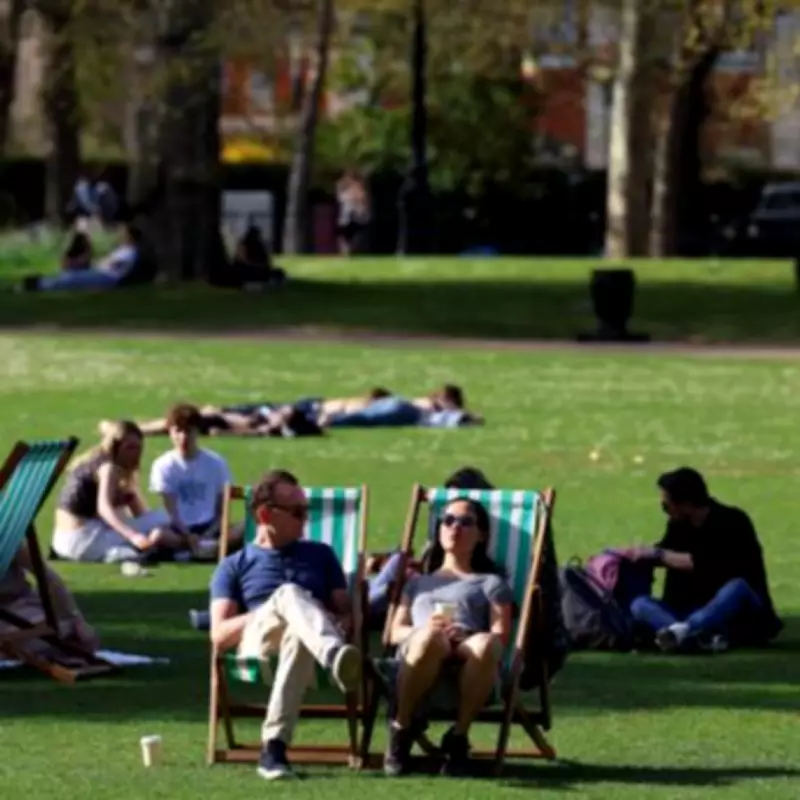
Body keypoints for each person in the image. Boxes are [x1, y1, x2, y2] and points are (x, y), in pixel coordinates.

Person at [209, 469, 362, 780]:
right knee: (290, 594)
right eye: (297, 512)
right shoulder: (233, 566)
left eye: (306, 510)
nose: (305, 519)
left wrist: (338, 622)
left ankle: (274, 749)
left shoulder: (321, 554)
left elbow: (347, 614)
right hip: (260, 642)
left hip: (306, 643)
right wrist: (277, 606)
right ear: (265, 514)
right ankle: (334, 656)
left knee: (298, 632)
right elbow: (219, 635)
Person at [384, 497, 513, 777]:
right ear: (439, 529)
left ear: (481, 535)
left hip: (467, 653)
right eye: (449, 520)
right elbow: (394, 633)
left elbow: (500, 635)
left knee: (487, 643)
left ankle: (458, 736)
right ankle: (402, 728)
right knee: (430, 638)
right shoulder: (418, 582)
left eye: (466, 522)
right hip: (419, 653)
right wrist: (424, 632)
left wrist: (465, 633)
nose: (456, 527)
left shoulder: (490, 582)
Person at [628, 467, 782, 652]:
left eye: (666, 506)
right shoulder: (678, 526)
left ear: (685, 503)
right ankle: (696, 637)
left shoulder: (732, 522)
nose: (666, 512)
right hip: (690, 608)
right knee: (640, 604)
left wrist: (658, 555)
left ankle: (684, 632)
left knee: (737, 587)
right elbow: (663, 552)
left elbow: (706, 564)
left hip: (736, 611)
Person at [51, 420, 184, 564]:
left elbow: (136, 507)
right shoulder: (108, 468)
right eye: (129, 448)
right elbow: (104, 508)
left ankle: (142, 548)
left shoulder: (93, 461)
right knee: (162, 517)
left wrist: (147, 525)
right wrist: (134, 536)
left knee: (149, 521)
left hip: (62, 544)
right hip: (85, 541)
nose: (135, 453)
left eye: (138, 448)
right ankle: (184, 546)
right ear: (115, 447)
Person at [149, 403, 236, 561]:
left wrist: (210, 532)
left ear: (197, 432)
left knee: (249, 527)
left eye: (188, 431)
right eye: (178, 431)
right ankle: (207, 550)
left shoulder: (216, 463)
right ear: (170, 432)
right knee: (158, 535)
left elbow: (221, 509)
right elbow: (171, 511)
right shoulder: (163, 465)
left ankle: (202, 549)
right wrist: (188, 536)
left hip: (209, 526)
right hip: (179, 529)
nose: (183, 437)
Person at [0, 541, 100, 660]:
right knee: (60, 633)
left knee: (80, 634)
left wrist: (75, 618)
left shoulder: (7, 538)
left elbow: (46, 575)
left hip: (19, 605)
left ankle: (54, 635)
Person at [28, 223, 148, 292]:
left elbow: (117, 265)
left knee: (73, 279)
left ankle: (41, 284)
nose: (120, 235)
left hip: (108, 277)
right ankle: (40, 281)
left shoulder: (130, 251)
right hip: (101, 273)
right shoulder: (121, 249)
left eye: (123, 234)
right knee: (71, 276)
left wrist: (102, 263)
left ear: (131, 237)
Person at [336, 170, 371, 255]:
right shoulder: (344, 189)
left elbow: (364, 201)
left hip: (358, 217)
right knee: (345, 237)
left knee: (356, 237)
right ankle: (347, 252)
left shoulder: (360, 188)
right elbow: (341, 198)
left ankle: (352, 251)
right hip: (347, 217)